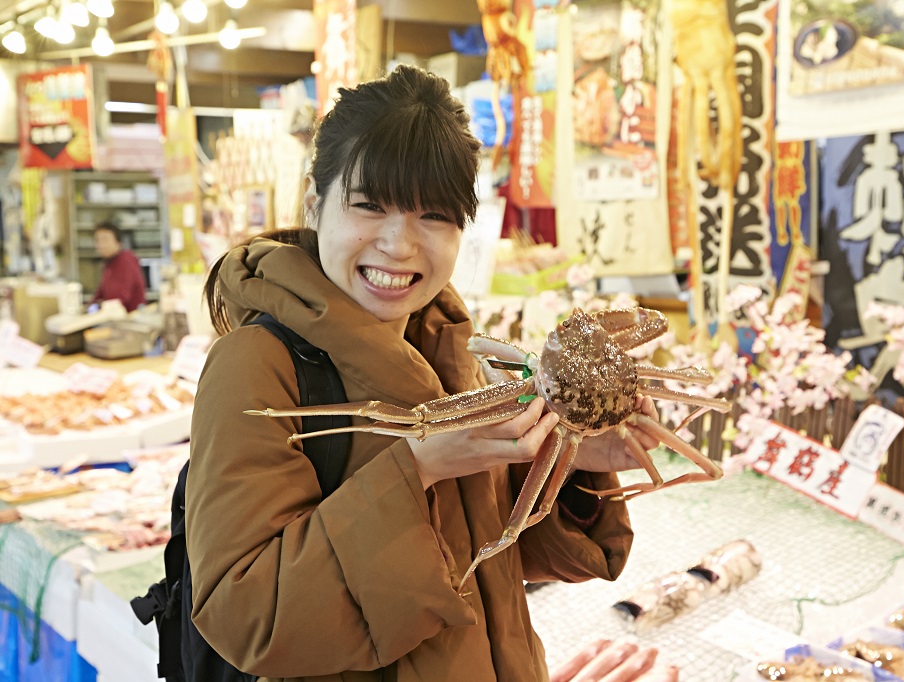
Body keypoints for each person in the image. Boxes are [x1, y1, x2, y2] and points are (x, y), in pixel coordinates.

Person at [190, 64, 669, 681]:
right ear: (316, 201)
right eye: (369, 206)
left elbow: (495, 559)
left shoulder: (453, 353)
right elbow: (247, 614)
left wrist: (569, 463)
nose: (400, 244)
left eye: (434, 216)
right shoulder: (257, 363)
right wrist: (419, 466)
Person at [89, 221, 146, 311]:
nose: (100, 245)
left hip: (130, 319)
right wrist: (90, 307)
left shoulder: (126, 260)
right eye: (97, 240)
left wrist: (99, 305)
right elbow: (100, 292)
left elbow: (120, 297)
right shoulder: (108, 264)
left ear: (118, 243)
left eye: (105, 240)